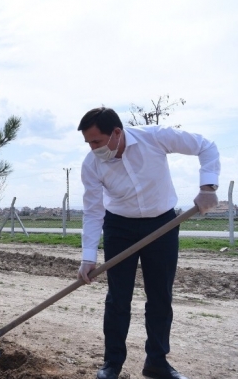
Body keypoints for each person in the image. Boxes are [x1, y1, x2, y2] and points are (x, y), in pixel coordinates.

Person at [76, 107, 220, 379]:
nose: (93, 148)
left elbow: (206, 146)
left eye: (96, 141)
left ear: (116, 133)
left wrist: (207, 187)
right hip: (119, 227)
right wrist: (87, 256)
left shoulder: (155, 137)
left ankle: (157, 363)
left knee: (160, 298)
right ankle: (112, 364)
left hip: (162, 225)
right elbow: (93, 210)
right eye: (88, 143)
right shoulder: (91, 164)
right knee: (118, 299)